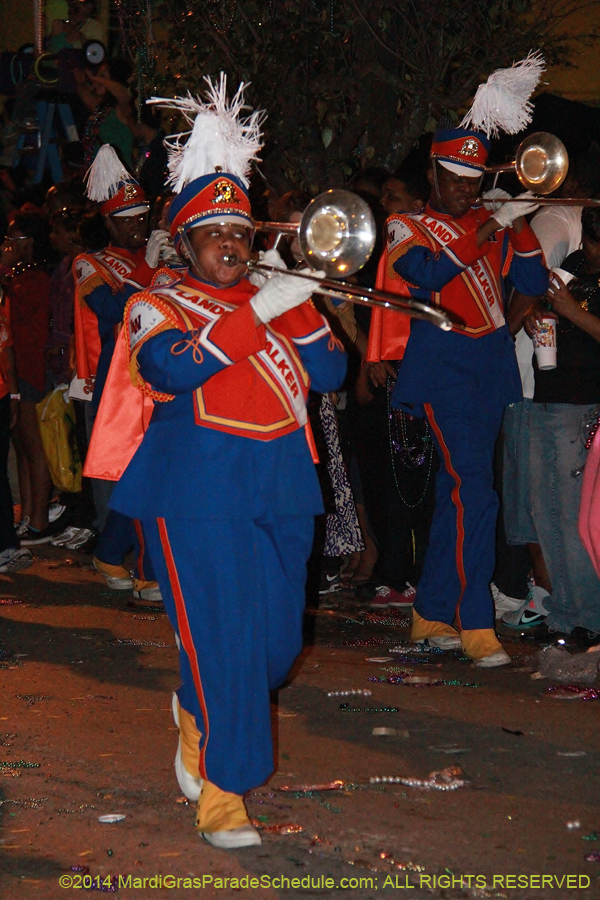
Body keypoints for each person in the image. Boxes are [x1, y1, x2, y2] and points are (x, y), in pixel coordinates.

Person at [91, 77, 346, 848]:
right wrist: (254, 315)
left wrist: (294, 297)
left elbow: (331, 374)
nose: (232, 245)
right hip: (193, 492)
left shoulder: (273, 295)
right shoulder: (157, 301)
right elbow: (168, 370)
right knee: (227, 644)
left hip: (281, 488)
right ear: (185, 243)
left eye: (241, 232)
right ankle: (224, 791)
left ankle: (197, 708)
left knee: (272, 649)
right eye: (215, 235)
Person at [370, 59, 549, 666]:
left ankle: (429, 612)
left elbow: (531, 279)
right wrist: (487, 226)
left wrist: (518, 225)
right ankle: (476, 621)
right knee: (476, 491)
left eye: (473, 180)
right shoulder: (406, 225)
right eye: (455, 179)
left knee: (460, 492)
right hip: (442, 372)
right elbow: (425, 274)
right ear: (433, 175)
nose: (466, 190)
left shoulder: (489, 222)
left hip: (491, 370)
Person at [73, 145, 167, 599]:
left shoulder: (159, 255)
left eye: (142, 216)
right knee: (140, 474)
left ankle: (115, 551)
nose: (138, 225)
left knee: (153, 473)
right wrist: (148, 267)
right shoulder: (89, 263)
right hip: (119, 384)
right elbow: (111, 309)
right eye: (127, 219)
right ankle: (143, 567)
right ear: (108, 222)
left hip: (163, 378)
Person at [520, 206, 600, 647]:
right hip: (547, 393)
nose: (591, 251)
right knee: (544, 509)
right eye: (589, 240)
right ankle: (564, 612)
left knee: (577, 516)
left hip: (585, 401)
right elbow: (545, 301)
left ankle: (589, 615)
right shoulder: (572, 265)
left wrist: (569, 311)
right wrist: (537, 314)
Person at [0, 211, 56, 544]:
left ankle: (39, 520)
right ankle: (27, 513)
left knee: (34, 448)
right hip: (16, 372)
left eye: (14, 240)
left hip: (29, 370)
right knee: (20, 447)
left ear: (29, 244)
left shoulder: (35, 279)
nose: (7, 245)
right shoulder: (19, 277)